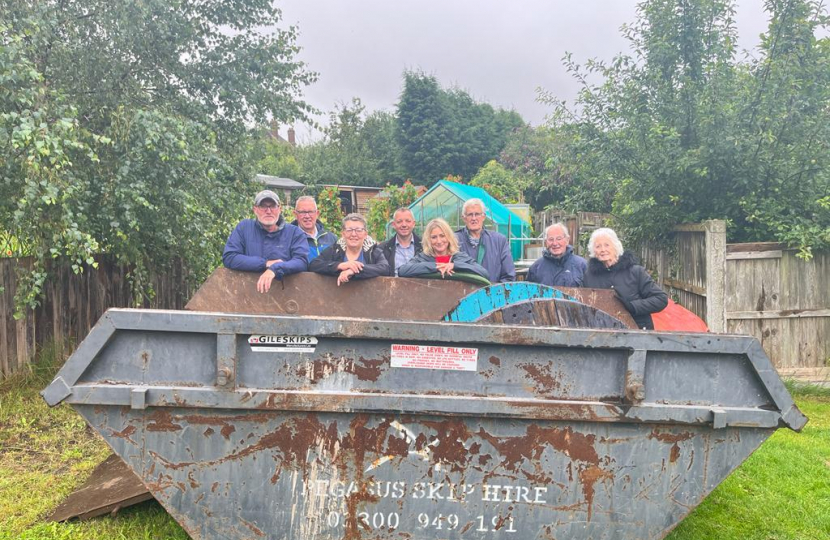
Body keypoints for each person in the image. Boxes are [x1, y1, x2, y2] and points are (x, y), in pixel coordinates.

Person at [222, 190, 309, 294]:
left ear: (279, 209)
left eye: (272, 206)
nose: (268, 211)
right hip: (247, 295)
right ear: (255, 209)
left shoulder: (295, 233)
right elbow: (230, 257)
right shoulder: (244, 228)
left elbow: (301, 262)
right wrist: (265, 263)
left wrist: (275, 268)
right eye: (263, 206)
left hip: (285, 297)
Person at [583, 227, 668, 330]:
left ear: (616, 247)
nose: (603, 250)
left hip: (637, 333)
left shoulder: (636, 272)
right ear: (593, 251)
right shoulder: (589, 276)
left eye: (607, 245)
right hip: (604, 333)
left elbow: (661, 299)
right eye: (598, 246)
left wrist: (633, 306)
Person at [309, 213, 389, 286]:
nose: (354, 234)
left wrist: (354, 270)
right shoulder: (335, 250)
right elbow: (314, 265)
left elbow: (385, 268)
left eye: (358, 230)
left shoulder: (373, 251)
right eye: (349, 230)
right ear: (343, 234)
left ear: (365, 234)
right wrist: (339, 265)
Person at [399, 218, 490, 281]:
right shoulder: (423, 257)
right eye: (434, 237)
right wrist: (436, 267)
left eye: (442, 236)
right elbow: (403, 271)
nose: (439, 241)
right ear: (428, 240)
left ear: (449, 237)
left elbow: (484, 273)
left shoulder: (459, 256)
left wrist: (454, 266)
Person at [455, 198, 515, 283]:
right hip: (464, 294)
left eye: (477, 214)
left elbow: (509, 276)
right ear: (464, 218)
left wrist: (492, 293)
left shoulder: (499, 241)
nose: (474, 218)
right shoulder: (454, 241)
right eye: (470, 215)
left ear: (483, 217)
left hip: (493, 294)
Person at [526, 223, 587, 287]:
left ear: (567, 240)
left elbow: (591, 294)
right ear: (546, 242)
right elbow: (528, 293)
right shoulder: (536, 268)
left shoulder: (581, 266)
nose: (555, 243)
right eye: (551, 239)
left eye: (559, 239)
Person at [378, 207, 423, 276]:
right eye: (399, 222)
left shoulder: (425, 246)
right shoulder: (383, 249)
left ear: (413, 224)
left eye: (408, 221)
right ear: (394, 225)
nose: (404, 225)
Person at [291, 195, 337, 261]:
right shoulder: (290, 239)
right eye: (303, 212)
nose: (307, 216)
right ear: (295, 214)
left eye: (310, 212)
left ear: (317, 213)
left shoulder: (331, 239)